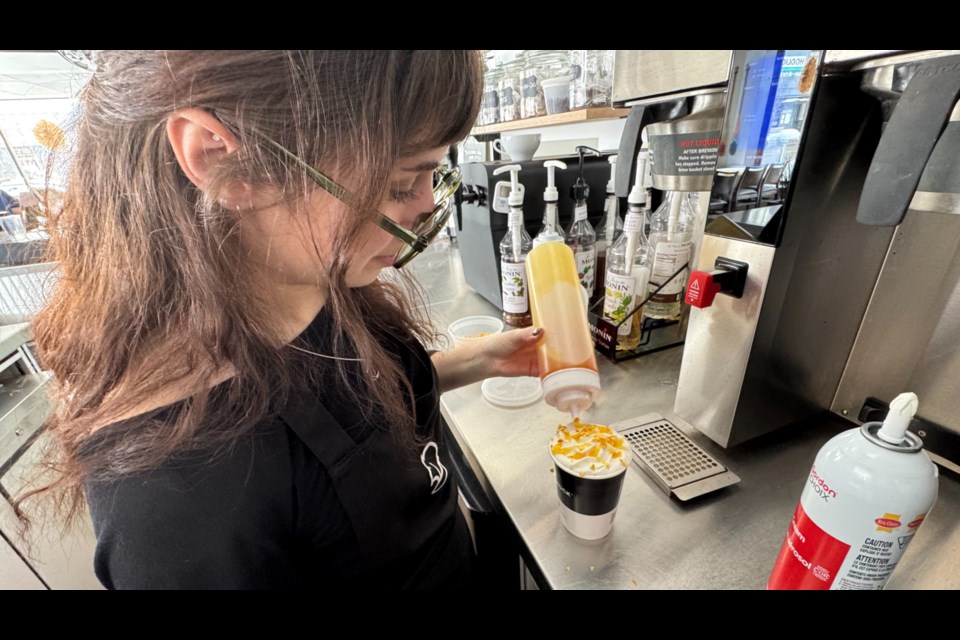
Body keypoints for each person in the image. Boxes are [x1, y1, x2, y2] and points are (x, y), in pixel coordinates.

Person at [23, 50, 541, 589]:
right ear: (220, 158)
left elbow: (352, 407)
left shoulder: (313, 283)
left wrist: (479, 360)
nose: (424, 206)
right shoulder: (181, 505)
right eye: (398, 184)